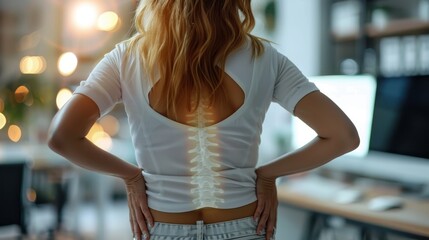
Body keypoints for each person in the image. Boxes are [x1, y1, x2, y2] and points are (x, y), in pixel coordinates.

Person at [47, 1, 360, 239]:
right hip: (245, 226)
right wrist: (268, 176)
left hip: (161, 227)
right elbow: (343, 136)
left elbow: (62, 136)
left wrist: (131, 178)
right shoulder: (266, 59)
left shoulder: (126, 59)